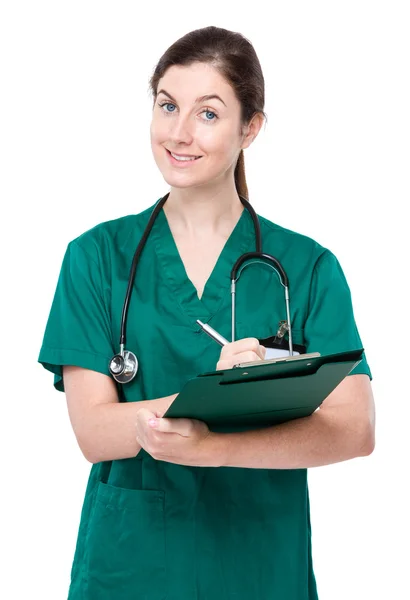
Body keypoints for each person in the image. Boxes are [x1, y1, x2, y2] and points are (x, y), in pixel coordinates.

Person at [38, 25, 375, 600]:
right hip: (132, 566)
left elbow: (355, 429)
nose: (180, 132)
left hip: (257, 563)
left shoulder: (308, 267)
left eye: (209, 113)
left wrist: (218, 444)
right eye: (168, 106)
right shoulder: (96, 257)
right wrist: (216, 397)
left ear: (251, 128)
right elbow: (94, 431)